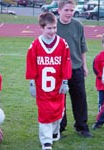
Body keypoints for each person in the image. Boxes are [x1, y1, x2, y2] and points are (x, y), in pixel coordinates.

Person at [25, 12, 72, 150]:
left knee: (59, 113)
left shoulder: (63, 44)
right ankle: (46, 142)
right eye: (49, 28)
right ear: (42, 28)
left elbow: (66, 64)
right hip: (42, 88)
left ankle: (55, 131)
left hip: (57, 87)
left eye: (54, 28)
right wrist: (32, 83)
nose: (52, 31)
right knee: (45, 114)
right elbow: (31, 65)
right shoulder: (35, 45)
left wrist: (65, 82)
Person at [57, 0, 92, 137]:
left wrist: (84, 66)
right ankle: (60, 126)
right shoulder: (54, 26)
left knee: (80, 99)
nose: (69, 13)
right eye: (66, 10)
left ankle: (81, 126)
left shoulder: (78, 25)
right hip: (59, 71)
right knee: (60, 100)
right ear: (59, 10)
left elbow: (82, 47)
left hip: (76, 68)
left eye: (72, 10)